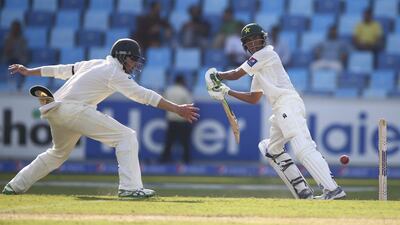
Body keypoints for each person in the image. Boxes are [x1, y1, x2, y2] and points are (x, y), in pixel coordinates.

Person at [2, 38, 199, 199]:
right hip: (75, 110)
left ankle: (13, 187)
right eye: (132, 59)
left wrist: (29, 72)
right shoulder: (115, 72)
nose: (135, 64)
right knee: (126, 136)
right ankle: (130, 188)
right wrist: (177, 108)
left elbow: (62, 70)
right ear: (122, 57)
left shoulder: (95, 63)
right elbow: (143, 95)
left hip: (55, 108)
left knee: (57, 154)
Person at [205, 23, 346, 200]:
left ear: (263, 39)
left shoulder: (267, 54)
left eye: (256, 38)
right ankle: (303, 192)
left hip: (287, 104)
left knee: (303, 148)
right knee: (270, 148)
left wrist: (216, 75)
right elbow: (254, 98)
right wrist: (227, 91)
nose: (253, 43)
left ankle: (333, 190)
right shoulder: (258, 71)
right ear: (245, 45)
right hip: (280, 110)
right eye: (249, 41)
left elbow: (236, 74)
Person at [160, 75, 193, 164]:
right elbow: (190, 105)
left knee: (169, 141)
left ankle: (164, 159)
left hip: (171, 120)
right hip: (182, 121)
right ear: (182, 81)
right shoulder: (184, 91)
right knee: (185, 142)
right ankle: (186, 160)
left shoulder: (168, 90)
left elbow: (162, 102)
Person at [2, 20, 28, 91]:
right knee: (10, 63)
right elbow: (6, 51)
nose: (15, 29)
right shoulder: (8, 38)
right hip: (10, 58)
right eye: (14, 28)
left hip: (19, 59)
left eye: (17, 28)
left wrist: (21, 56)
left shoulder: (22, 39)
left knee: (23, 65)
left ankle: (20, 84)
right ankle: (10, 83)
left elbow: (24, 51)